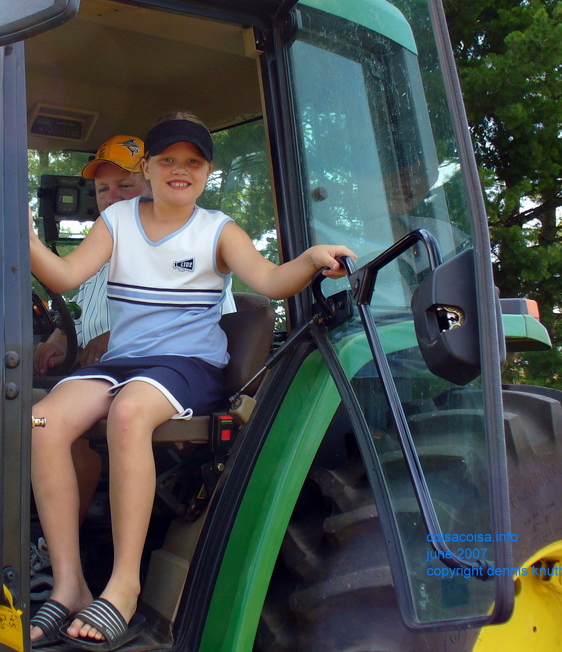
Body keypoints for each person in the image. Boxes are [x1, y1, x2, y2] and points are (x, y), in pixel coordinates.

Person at [26, 112, 356, 649]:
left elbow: (271, 281)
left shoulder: (217, 230)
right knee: (42, 419)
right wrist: (22, 232)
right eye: (168, 161)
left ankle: (124, 587)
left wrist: (311, 261)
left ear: (206, 173)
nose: (180, 170)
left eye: (193, 163)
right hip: (125, 360)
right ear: (150, 169)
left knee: (130, 411)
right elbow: (64, 276)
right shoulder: (117, 222)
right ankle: (69, 585)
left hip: (188, 365)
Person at [34, 135, 152, 374]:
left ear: (155, 188)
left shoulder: (182, 251)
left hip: (152, 382)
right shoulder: (95, 263)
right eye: (103, 189)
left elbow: (198, 324)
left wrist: (116, 338)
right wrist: (56, 344)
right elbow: (74, 319)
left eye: (125, 185)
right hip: (96, 378)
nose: (111, 199)